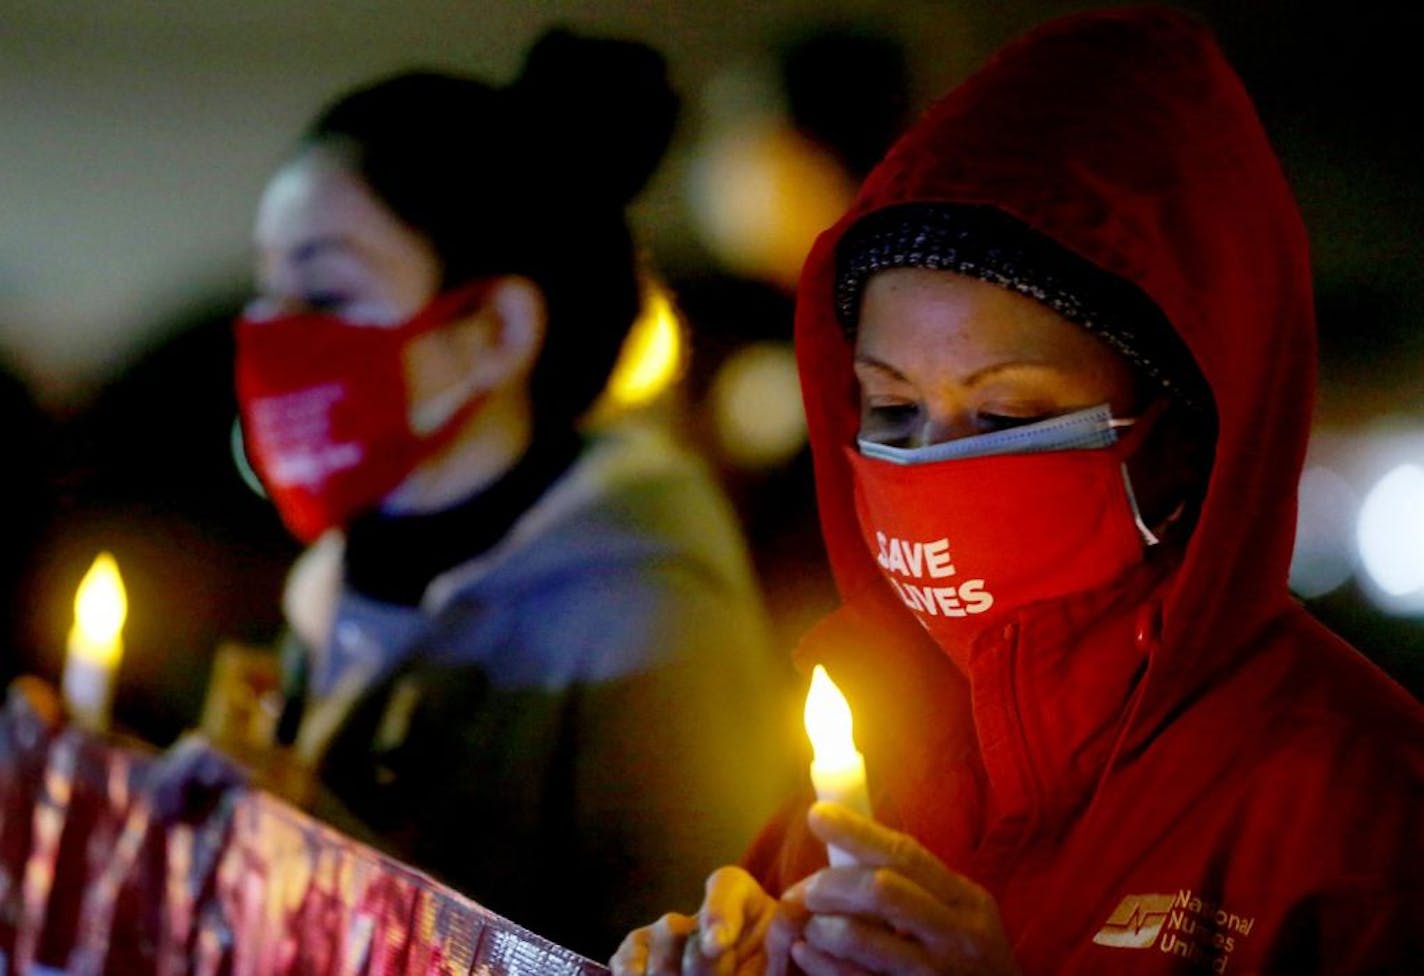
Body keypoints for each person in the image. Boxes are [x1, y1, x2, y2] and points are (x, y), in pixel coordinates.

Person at [613, 7, 1423, 975]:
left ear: (1178, 436)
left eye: (1001, 418)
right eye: (891, 409)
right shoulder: (874, 763)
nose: (929, 465)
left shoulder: (1358, 813)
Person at [232, 29, 793, 958]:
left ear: (495, 328)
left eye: (327, 294)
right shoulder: (343, 572)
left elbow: (678, 950)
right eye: (266, 286)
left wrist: (321, 848)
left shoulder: (643, 619)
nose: (271, 335)